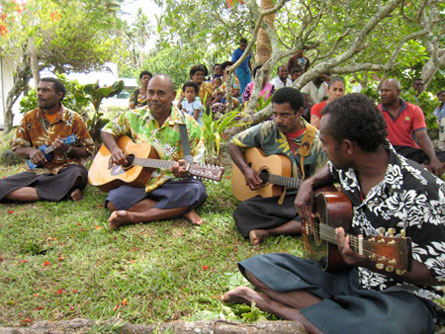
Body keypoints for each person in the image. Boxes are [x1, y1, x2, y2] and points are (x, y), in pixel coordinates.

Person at [222, 93, 445, 334]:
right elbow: (329, 169)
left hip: (400, 296)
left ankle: (281, 307)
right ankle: (341, 318)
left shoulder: (422, 191)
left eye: (325, 143)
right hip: (350, 276)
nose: (323, 150)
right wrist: (308, 184)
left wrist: (369, 259)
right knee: (260, 266)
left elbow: (437, 271)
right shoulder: (349, 166)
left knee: (399, 327)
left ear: (348, 147)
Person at [102, 74, 207, 230]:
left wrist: (184, 171)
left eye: (161, 93)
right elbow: (107, 130)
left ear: (173, 96)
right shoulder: (134, 116)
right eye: (151, 92)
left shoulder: (186, 125)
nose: (154, 98)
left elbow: (191, 164)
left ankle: (134, 216)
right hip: (139, 182)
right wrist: (115, 149)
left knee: (196, 190)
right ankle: (179, 210)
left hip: (171, 182)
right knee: (113, 201)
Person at [229, 87, 327, 245]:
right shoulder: (268, 129)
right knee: (243, 210)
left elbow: (322, 182)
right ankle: (295, 226)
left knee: (316, 211)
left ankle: (268, 231)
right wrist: (246, 170)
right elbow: (233, 144)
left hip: (298, 197)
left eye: (285, 115)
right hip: (273, 198)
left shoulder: (316, 142)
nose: (278, 120)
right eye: (275, 114)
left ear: (299, 112)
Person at [0, 78, 94, 203]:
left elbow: (88, 151)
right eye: (38, 90)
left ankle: (35, 190)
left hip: (67, 170)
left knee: (78, 175)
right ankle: (65, 193)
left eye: (45, 90)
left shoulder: (75, 119)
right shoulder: (29, 118)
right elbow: (17, 148)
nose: (39, 93)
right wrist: (30, 152)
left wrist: (68, 149)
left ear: (59, 95)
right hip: (38, 172)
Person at [378, 78, 445, 177]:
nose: (383, 93)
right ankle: (419, 169)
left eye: (387, 90)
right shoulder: (376, 111)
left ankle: (422, 170)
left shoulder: (414, 110)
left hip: (410, 150)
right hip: (388, 151)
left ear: (398, 92)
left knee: (440, 157)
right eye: (382, 90)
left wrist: (433, 159)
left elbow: (422, 137)